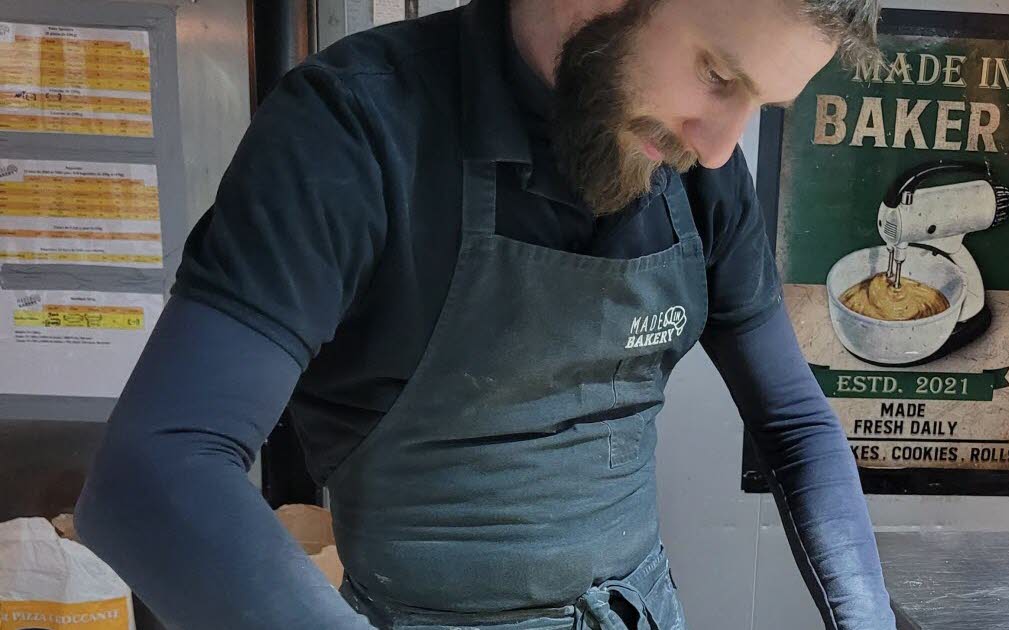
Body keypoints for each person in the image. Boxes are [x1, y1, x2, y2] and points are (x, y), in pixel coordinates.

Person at [75, 0, 896, 628]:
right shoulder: (355, 133)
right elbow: (153, 469)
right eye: (717, 74)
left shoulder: (700, 171)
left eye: (760, 103)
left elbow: (795, 426)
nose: (718, 146)